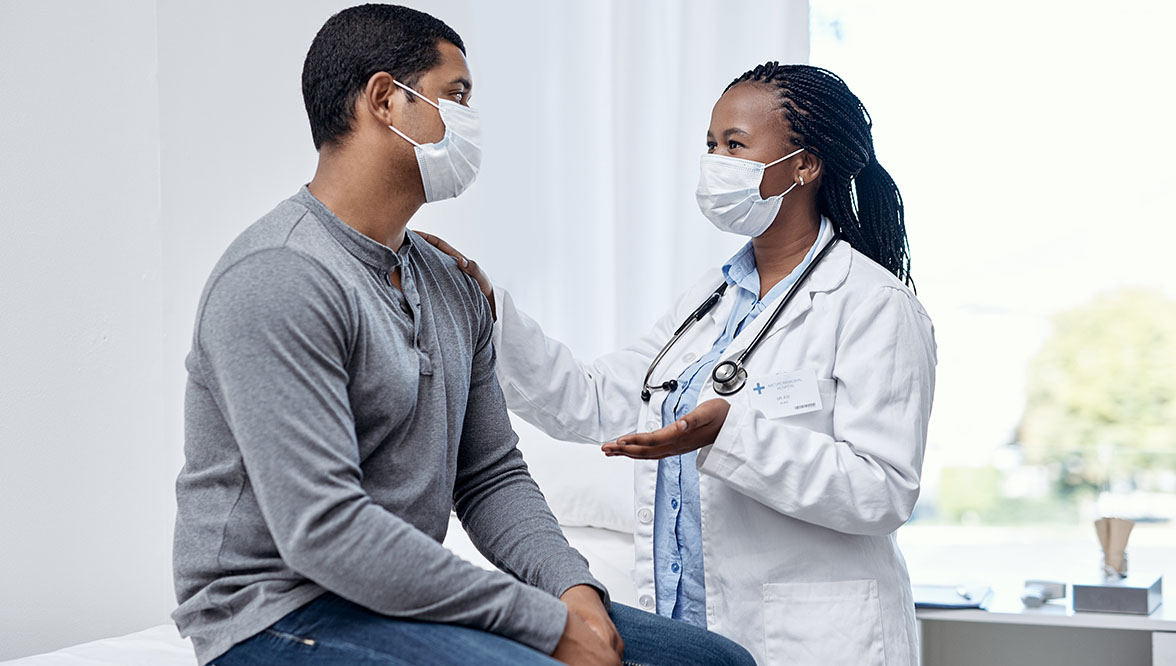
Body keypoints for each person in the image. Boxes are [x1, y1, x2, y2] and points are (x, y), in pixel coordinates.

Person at [170, 5, 755, 666]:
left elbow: (489, 474)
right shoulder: (281, 275)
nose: (470, 120)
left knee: (713, 663)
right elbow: (324, 532)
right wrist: (539, 623)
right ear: (385, 100)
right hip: (276, 611)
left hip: (389, 600)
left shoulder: (449, 282)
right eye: (457, 96)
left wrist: (571, 588)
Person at [423, 62, 938, 666]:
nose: (716, 161)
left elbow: (883, 489)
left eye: (736, 146)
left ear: (805, 165)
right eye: (712, 145)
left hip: (811, 641)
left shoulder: (874, 304)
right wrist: (491, 310)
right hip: (691, 634)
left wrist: (734, 435)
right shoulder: (709, 302)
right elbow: (595, 400)